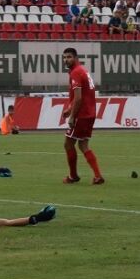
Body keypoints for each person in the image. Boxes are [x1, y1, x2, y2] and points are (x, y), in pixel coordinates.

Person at [60, 48, 104, 184]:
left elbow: (78, 98)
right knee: (83, 145)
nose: (66, 60)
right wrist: (69, 109)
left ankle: (73, 176)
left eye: (69, 57)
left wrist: (72, 116)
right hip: (89, 113)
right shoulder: (83, 71)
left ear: (76, 58)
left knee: (68, 144)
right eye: (64, 57)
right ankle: (98, 176)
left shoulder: (76, 73)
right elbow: (82, 95)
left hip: (81, 114)